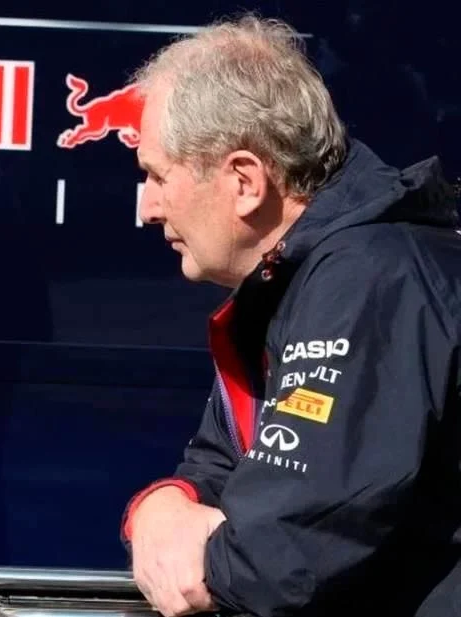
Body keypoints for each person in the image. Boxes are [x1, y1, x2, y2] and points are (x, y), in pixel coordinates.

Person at [122, 14, 461, 617]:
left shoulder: (369, 280)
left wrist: (200, 558)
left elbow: (283, 552)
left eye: (157, 175)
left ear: (245, 180)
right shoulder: (300, 275)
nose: (146, 208)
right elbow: (222, 463)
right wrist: (159, 507)